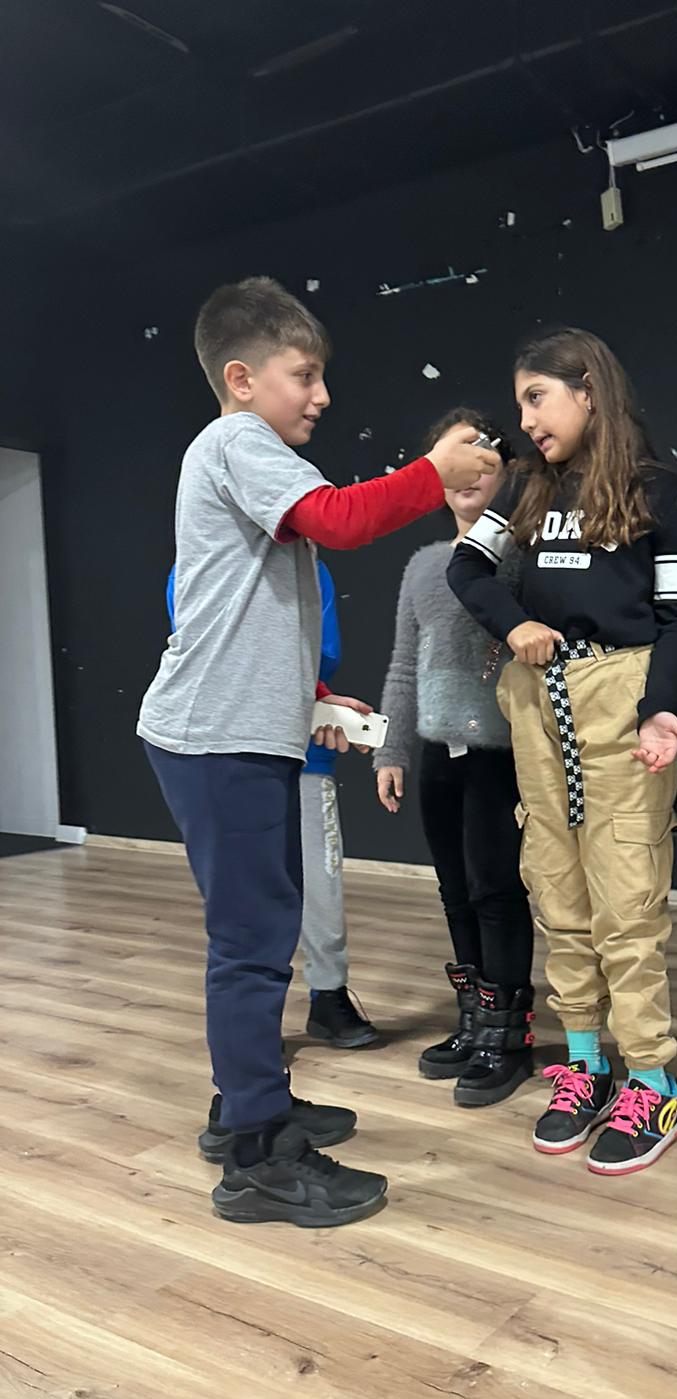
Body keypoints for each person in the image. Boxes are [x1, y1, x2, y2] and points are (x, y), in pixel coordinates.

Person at [137, 274, 498, 1227]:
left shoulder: (240, 456)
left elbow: (242, 611)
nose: (323, 395)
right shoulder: (237, 442)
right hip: (216, 740)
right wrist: (435, 471)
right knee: (253, 947)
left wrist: (310, 697)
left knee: (260, 934)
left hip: (237, 731)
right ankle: (257, 1158)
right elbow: (341, 519)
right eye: (305, 375)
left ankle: (247, 1107)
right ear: (242, 378)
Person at [448, 328, 677, 1176]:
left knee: (626, 896)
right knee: (556, 890)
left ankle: (652, 1080)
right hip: (537, 700)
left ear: (587, 390)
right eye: (520, 402)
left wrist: (660, 712)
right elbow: (466, 570)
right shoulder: (525, 484)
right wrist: (514, 622)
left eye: (537, 398)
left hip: (621, 698)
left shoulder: (662, 491)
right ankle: (586, 1064)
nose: (525, 420)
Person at [374, 407, 536, 1107]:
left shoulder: (522, 559)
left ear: (509, 474)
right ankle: (474, 1022)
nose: (469, 474)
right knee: (455, 889)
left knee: (496, 888)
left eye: (484, 459)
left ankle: (509, 1034)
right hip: (439, 750)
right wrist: (392, 748)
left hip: (502, 753)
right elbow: (404, 666)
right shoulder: (423, 567)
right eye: (454, 460)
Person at [166, 557, 378, 1050]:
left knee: (320, 885)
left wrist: (311, 697)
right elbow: (204, 652)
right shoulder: (193, 568)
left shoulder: (311, 569)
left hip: (303, 750)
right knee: (244, 897)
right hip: (230, 751)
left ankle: (328, 995)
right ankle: (256, 1021)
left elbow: (319, 653)